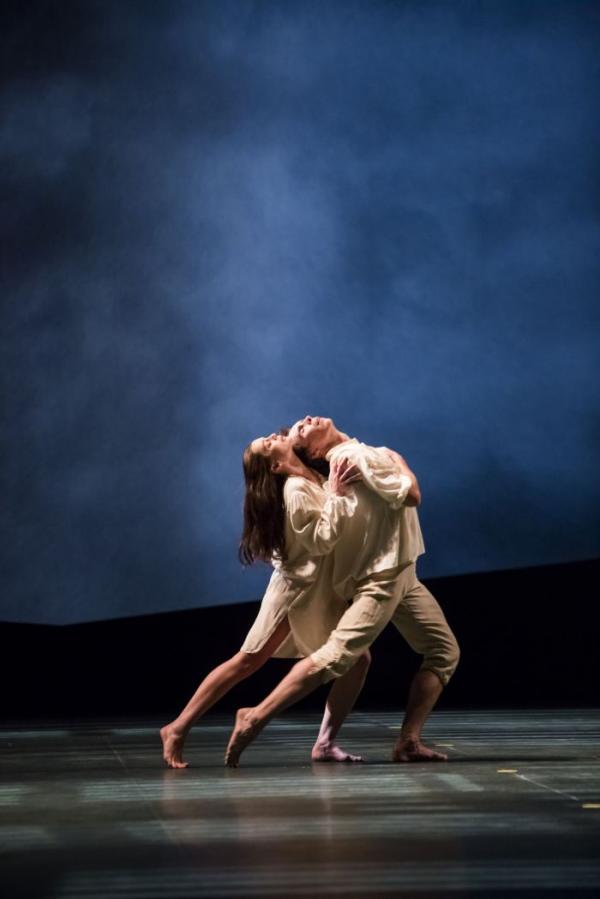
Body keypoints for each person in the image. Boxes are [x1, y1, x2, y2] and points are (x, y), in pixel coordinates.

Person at [224, 416, 460, 767]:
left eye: (301, 425)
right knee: (336, 657)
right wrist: (401, 464)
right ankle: (255, 716)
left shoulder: (356, 455)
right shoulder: (351, 457)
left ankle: (408, 741)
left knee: (443, 651)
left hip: (403, 569)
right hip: (383, 575)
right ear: (316, 449)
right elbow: (412, 495)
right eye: (301, 431)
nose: (304, 422)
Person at [160, 433, 368, 768]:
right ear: (273, 464)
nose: (274, 436)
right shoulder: (296, 489)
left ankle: (325, 743)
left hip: (317, 589)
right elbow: (322, 542)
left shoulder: (311, 477)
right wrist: (337, 496)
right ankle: (177, 727)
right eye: (268, 444)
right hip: (296, 593)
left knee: (356, 660)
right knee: (247, 661)